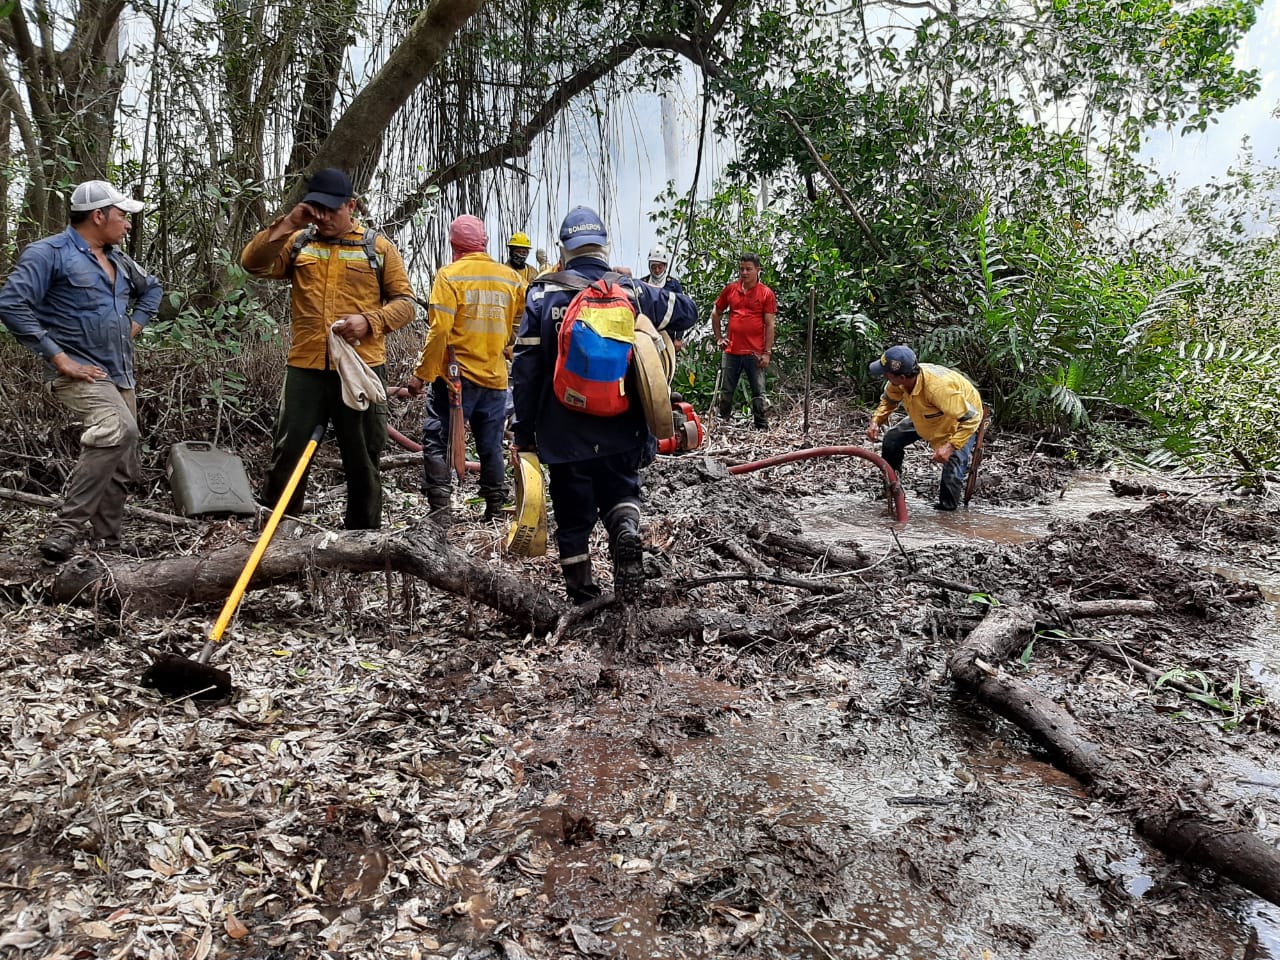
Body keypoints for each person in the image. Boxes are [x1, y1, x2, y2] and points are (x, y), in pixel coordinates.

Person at [511, 206, 697, 605]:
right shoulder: (630, 291)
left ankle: (582, 594)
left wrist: (523, 432)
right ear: (603, 248)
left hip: (563, 429)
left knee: (572, 513)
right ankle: (626, 532)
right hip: (622, 424)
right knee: (621, 490)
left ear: (565, 249)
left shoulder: (543, 294)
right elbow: (687, 311)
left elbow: (525, 371)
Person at [240, 167, 416, 529]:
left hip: (361, 368)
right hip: (306, 368)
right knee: (289, 451)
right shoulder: (300, 242)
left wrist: (370, 321)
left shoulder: (378, 248)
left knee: (363, 455)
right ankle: (277, 530)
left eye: (331, 210)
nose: (323, 217)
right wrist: (288, 223)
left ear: (352, 205)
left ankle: (362, 538)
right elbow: (252, 264)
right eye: (316, 208)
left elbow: (406, 304)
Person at [0, 180, 162, 561]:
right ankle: (66, 528)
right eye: (122, 216)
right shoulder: (48, 254)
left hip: (120, 372)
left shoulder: (119, 259)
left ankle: (109, 544)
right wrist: (59, 358)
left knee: (123, 461)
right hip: (79, 372)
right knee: (116, 429)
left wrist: (133, 325)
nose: (127, 224)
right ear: (98, 215)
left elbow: (152, 289)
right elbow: (11, 303)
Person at [403, 215, 525, 524]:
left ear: (454, 245)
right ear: (483, 242)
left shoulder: (449, 276)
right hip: (496, 378)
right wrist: (503, 348)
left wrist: (422, 375)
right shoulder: (510, 279)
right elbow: (519, 325)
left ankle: (441, 515)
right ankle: (495, 511)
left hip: (456, 380)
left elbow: (439, 331)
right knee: (491, 445)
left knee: (435, 439)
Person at [865, 345, 984, 511]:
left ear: (903, 376)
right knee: (892, 439)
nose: (884, 375)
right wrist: (876, 420)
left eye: (886, 373)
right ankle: (893, 485)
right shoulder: (898, 383)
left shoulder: (938, 389)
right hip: (925, 413)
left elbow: (972, 417)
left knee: (952, 470)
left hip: (958, 418)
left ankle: (947, 514)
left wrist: (950, 446)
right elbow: (889, 400)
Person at [710, 252, 776, 429]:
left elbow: (770, 324)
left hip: (754, 353)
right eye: (742, 269)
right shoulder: (731, 289)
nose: (744, 273)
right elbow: (716, 312)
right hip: (732, 351)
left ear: (757, 270)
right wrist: (719, 338)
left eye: (749, 269)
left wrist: (767, 353)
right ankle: (722, 424)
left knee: (758, 393)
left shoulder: (765, 293)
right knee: (726, 391)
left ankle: (761, 427)